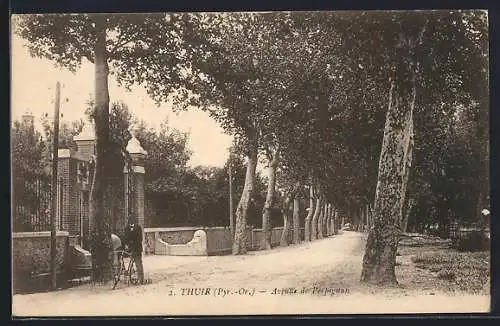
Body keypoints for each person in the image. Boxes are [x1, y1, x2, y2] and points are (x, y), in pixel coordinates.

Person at [123, 216, 144, 284]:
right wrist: (127, 244)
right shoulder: (126, 228)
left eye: (131, 220)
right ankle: (128, 275)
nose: (130, 221)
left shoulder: (138, 227)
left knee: (138, 263)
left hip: (137, 248)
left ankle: (141, 279)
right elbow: (125, 237)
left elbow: (140, 238)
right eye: (129, 220)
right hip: (130, 248)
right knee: (127, 263)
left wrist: (133, 242)